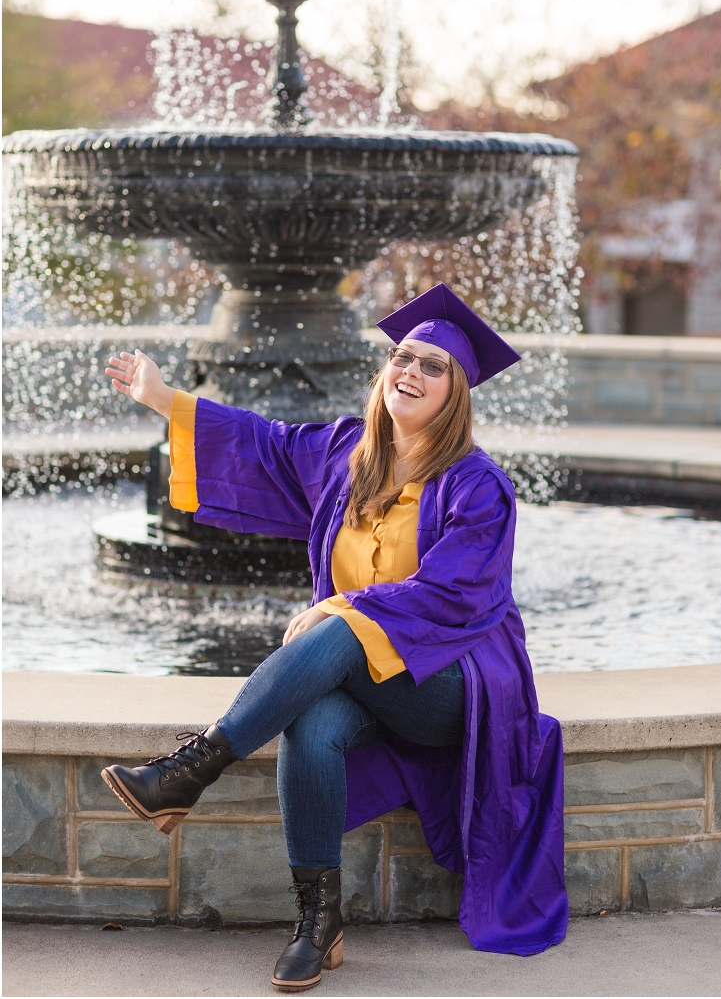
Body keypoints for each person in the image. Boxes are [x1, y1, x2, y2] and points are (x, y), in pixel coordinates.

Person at [101, 283, 567, 991]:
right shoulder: (349, 453)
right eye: (403, 357)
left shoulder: (478, 487)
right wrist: (163, 398)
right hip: (366, 673)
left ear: (457, 393)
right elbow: (262, 442)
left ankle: (191, 768)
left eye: (433, 366)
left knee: (343, 625)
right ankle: (318, 922)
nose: (410, 370)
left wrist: (341, 607)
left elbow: (454, 592)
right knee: (311, 722)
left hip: (452, 685)